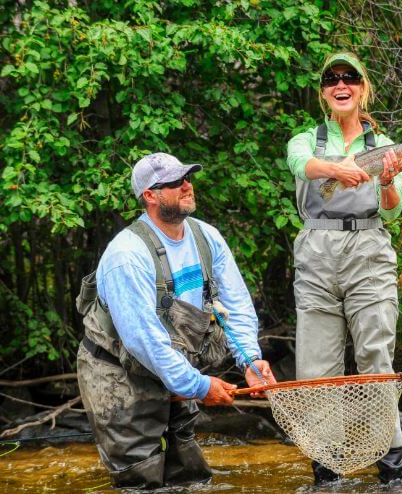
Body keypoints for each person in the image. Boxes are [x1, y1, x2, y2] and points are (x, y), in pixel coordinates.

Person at [76, 152, 276, 489]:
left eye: (187, 178)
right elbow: (144, 340)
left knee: (190, 474)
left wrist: (250, 360)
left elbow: (236, 304)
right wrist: (198, 386)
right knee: (140, 478)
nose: (187, 186)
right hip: (119, 374)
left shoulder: (206, 238)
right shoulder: (127, 256)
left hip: (174, 368)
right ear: (150, 196)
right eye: (174, 182)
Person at [286, 52, 402, 486]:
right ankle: (327, 470)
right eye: (332, 79)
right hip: (316, 252)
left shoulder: (385, 145)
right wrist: (340, 168)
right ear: (323, 92)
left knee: (376, 358)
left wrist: (389, 179)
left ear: (363, 87)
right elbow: (302, 167)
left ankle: (391, 470)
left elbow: (392, 212)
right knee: (317, 369)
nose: (341, 84)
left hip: (369, 250)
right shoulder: (306, 139)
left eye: (350, 78)